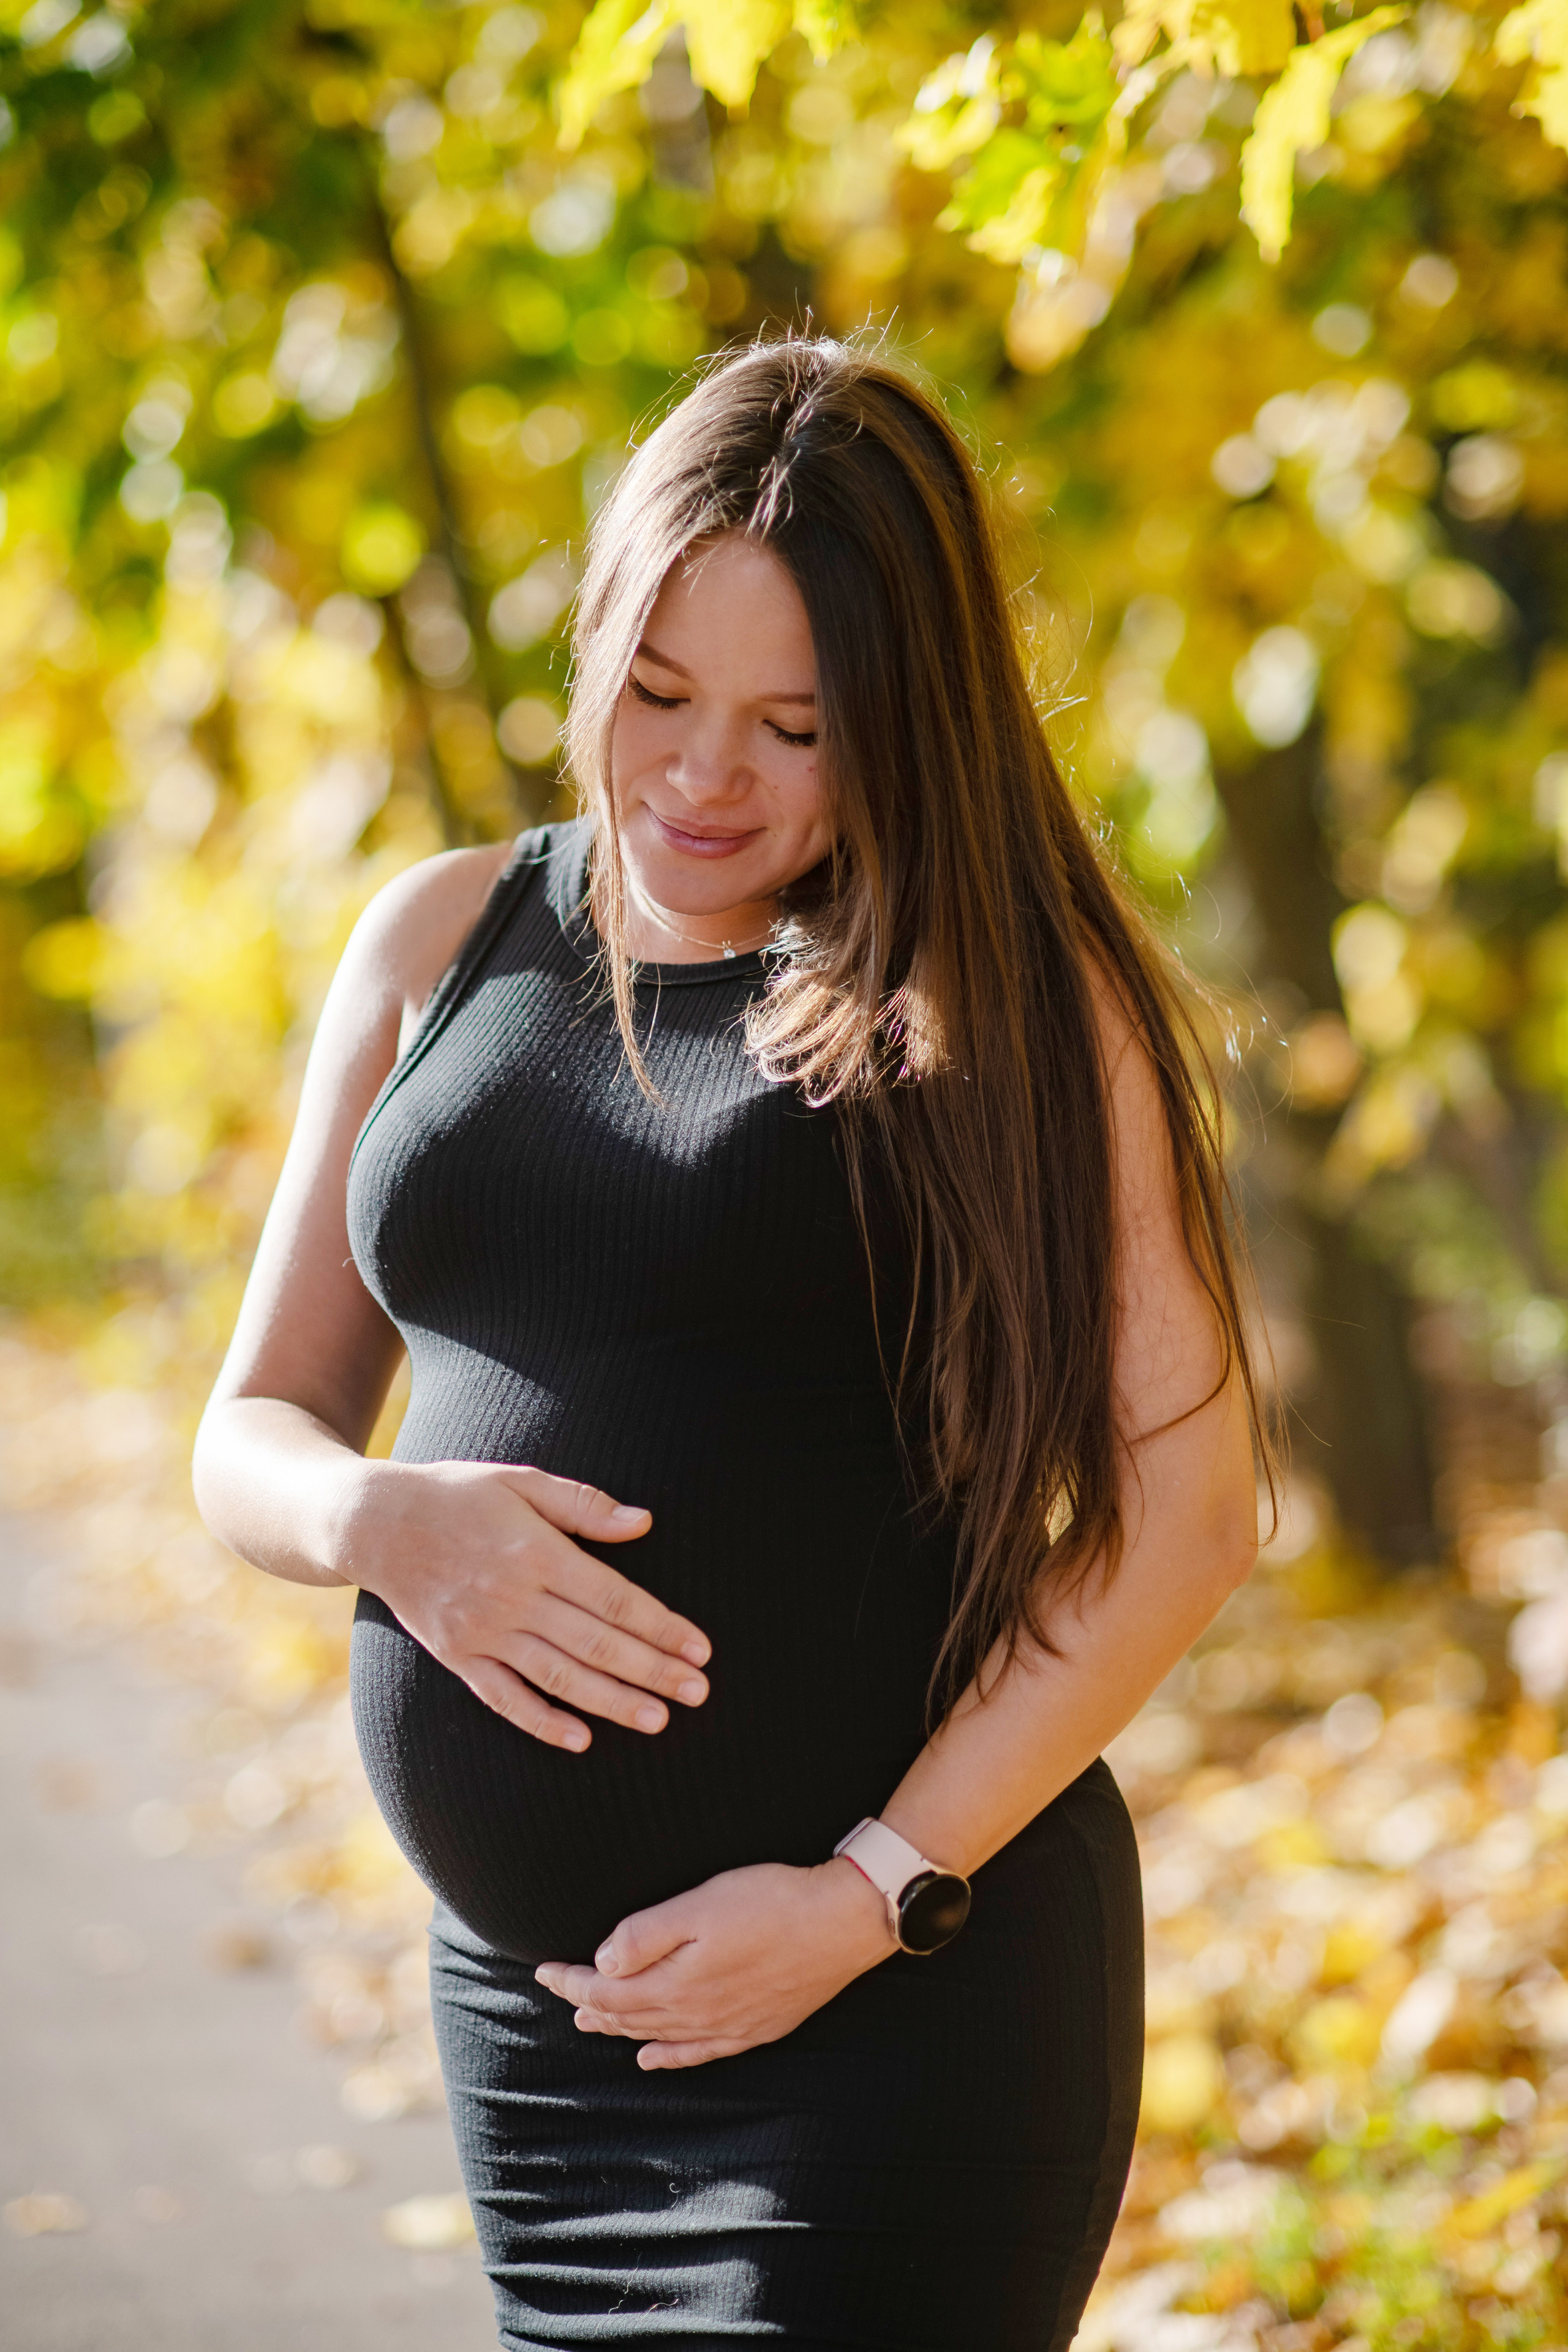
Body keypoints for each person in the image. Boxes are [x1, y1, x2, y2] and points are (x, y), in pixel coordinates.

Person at [193, 337, 1265, 2351]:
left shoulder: (1005, 1002)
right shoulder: (441, 939)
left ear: (909, 722)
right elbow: (249, 1427)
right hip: (541, 2033)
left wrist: (866, 1897)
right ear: (592, 637)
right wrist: (380, 1524)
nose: (702, 777)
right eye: (660, 695)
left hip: (902, 2017)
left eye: (796, 724)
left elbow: (1192, 1511)